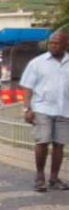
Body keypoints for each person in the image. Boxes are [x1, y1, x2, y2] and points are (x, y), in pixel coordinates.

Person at [19, 28, 69, 192]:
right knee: (42, 141)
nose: (53, 46)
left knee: (59, 145)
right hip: (42, 108)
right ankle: (39, 177)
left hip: (64, 109)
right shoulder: (37, 63)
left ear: (65, 44)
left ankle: (54, 179)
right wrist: (27, 108)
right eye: (51, 43)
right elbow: (27, 88)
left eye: (57, 43)